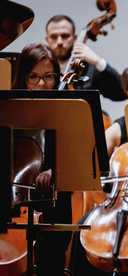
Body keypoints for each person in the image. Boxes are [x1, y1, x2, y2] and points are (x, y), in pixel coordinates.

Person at [12, 43, 71, 276]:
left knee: (51, 266)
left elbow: (76, 155)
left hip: (54, 203)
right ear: (22, 78)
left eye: (48, 77)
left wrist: (55, 169)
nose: (41, 84)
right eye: (33, 76)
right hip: (15, 203)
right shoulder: (9, 107)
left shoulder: (69, 109)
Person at [45, 14, 126, 101]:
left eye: (65, 36)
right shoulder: (40, 69)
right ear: (47, 40)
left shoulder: (88, 69)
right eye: (54, 37)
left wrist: (98, 61)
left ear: (75, 38)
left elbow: (121, 94)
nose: (59, 42)